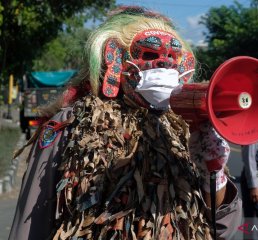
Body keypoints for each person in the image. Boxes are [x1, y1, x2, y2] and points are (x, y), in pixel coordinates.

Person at [9, 6, 242, 240]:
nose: (165, 66)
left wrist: (215, 175)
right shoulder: (69, 124)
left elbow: (224, 229)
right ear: (114, 57)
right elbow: (31, 223)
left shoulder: (187, 127)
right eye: (150, 55)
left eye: (172, 59)